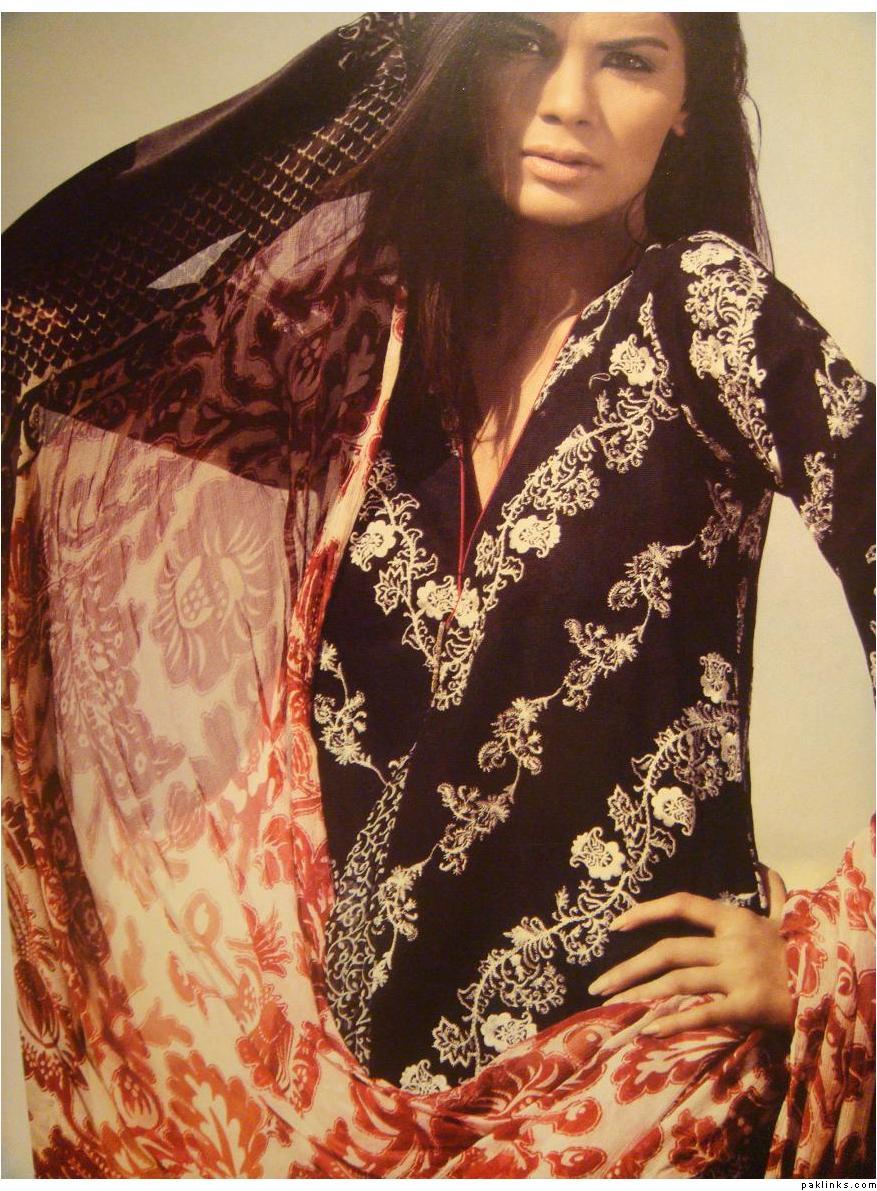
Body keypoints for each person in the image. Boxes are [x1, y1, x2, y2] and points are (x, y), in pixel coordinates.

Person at [2, 12, 873, 1179]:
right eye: (521, 43)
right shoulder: (360, 351)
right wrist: (367, 72)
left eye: (627, 61)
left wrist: (832, 947)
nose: (565, 100)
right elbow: (41, 331)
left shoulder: (706, 312)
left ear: (689, 107)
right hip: (351, 1112)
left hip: (639, 1097)